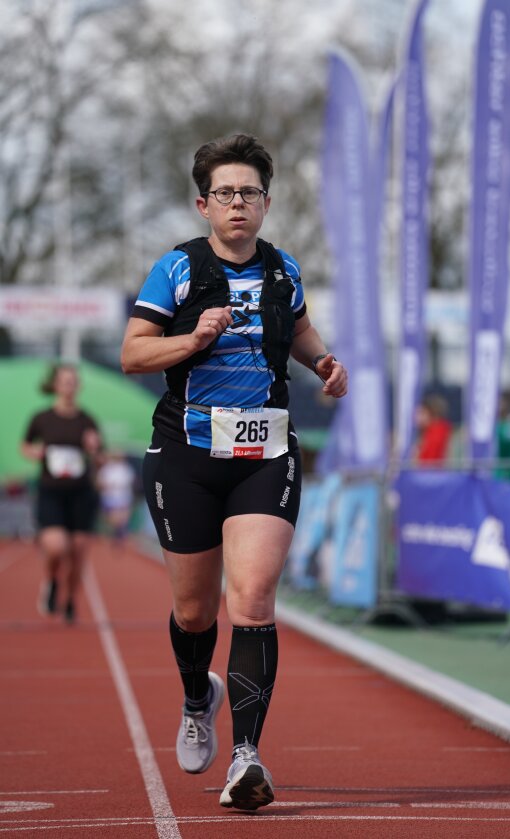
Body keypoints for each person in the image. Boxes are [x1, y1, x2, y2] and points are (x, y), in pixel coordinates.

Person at [121, 133, 348, 811]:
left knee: (251, 600)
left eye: (249, 192)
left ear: (266, 202)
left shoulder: (283, 270)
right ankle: (199, 698)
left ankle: (246, 756)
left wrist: (323, 361)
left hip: (265, 454)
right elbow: (133, 354)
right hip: (187, 456)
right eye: (225, 193)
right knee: (194, 611)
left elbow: (299, 330)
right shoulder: (178, 269)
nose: (238, 204)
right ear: (204, 205)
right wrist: (192, 338)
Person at [21, 363, 102, 623]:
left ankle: (70, 600)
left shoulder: (87, 420)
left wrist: (94, 449)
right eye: (65, 381)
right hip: (51, 491)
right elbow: (25, 445)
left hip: (81, 493)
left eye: (73, 381)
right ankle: (52, 580)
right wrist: (35, 452)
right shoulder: (42, 418)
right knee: (56, 546)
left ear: (78, 386)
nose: (69, 385)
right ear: (55, 385)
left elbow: (100, 458)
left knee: (77, 552)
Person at [96, 450, 137, 545]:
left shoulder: (126, 468)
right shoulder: (107, 468)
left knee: (122, 520)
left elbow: (131, 482)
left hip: (123, 498)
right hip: (110, 499)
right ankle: (114, 536)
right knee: (113, 520)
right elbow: (100, 483)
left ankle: (120, 537)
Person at [413, 393, 452, 464]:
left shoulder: (437, 432)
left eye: (421, 413)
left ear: (431, 414)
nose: (417, 417)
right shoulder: (427, 432)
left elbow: (428, 461)